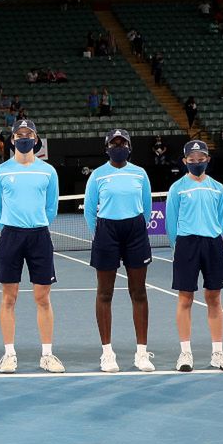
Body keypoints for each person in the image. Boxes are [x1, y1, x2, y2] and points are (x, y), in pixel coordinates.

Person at [0, 120, 64, 374]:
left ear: (35, 139)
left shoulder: (48, 171)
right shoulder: (0, 172)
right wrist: (11, 227)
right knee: (9, 297)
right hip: (10, 236)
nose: (23, 138)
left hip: (40, 236)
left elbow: (51, 208)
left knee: (43, 297)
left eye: (28, 134)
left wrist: (35, 224)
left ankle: (47, 354)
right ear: (12, 139)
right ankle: (9, 354)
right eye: (19, 134)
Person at [84, 129, 154, 373]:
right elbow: (90, 210)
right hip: (107, 232)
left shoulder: (140, 174)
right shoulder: (98, 176)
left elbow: (146, 207)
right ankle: (107, 354)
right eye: (113, 143)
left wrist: (137, 228)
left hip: (135, 231)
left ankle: (142, 354)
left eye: (122, 143)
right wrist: (101, 234)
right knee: (105, 293)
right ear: (106, 148)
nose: (118, 146)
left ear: (130, 147)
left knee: (139, 292)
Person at [165, 141, 223, 373]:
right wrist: (178, 246)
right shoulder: (177, 188)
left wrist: (217, 241)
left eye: (201, 158)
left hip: (212, 244)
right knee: (185, 299)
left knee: (214, 298)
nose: (197, 162)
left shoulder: (217, 188)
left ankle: (217, 353)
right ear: (185, 161)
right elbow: (171, 222)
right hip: (186, 244)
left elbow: (221, 220)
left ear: (207, 159)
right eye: (192, 159)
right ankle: (185, 352)